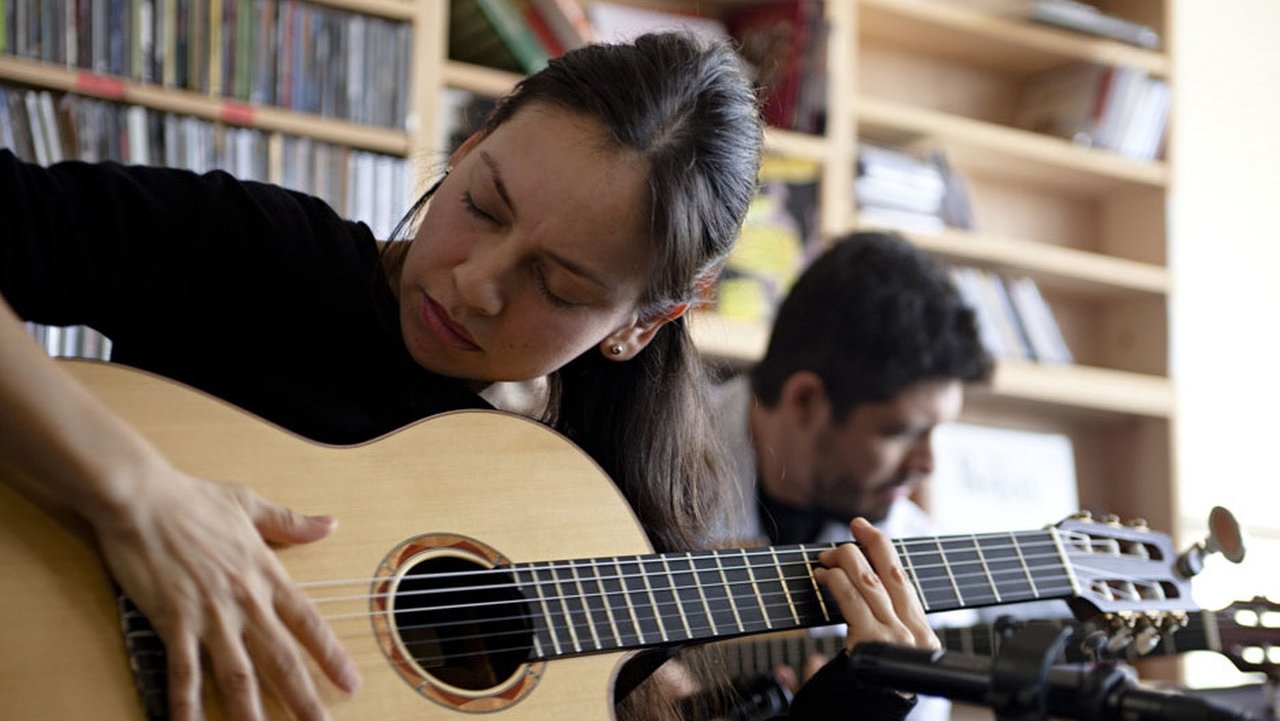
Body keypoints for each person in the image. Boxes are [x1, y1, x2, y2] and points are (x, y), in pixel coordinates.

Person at [0, 34, 935, 721]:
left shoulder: (569, 509)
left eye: (557, 285)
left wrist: (870, 692)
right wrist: (138, 494)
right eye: (483, 204)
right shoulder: (258, 256)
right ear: (472, 141)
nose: (475, 283)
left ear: (641, 326)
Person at [707, 230, 995, 717]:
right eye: (901, 431)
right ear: (805, 400)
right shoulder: (624, 473)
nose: (927, 464)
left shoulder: (920, 572)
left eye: (936, 432)